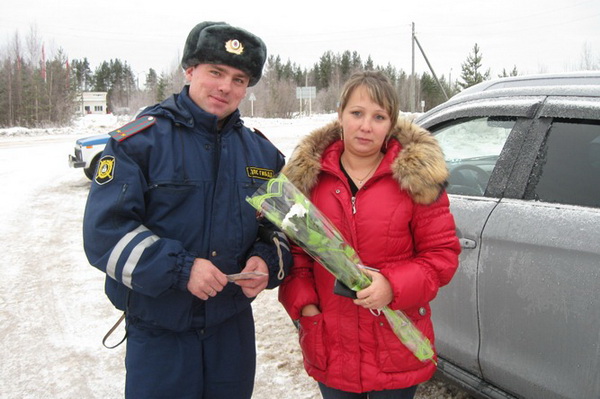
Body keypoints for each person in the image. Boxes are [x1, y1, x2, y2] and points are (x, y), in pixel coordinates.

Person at [83, 21, 292, 398]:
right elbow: (105, 234)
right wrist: (181, 268)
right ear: (190, 70)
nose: (226, 87)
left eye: (239, 79)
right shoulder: (138, 144)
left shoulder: (263, 155)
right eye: (216, 72)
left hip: (231, 332)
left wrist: (265, 260)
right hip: (160, 332)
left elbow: (286, 230)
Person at [278, 71, 461, 399]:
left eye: (379, 117)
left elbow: (441, 256)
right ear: (340, 116)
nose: (366, 126)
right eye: (357, 113)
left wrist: (392, 286)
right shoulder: (309, 179)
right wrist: (305, 308)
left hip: (396, 346)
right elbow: (296, 255)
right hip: (332, 345)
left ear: (391, 124)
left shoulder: (417, 181)